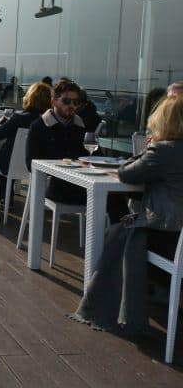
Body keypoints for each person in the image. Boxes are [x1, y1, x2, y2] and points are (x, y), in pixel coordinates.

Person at [72, 96, 183, 334]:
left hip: (168, 238)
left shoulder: (163, 151)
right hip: (178, 236)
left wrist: (148, 148)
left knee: (118, 231)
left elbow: (126, 174)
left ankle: (103, 307)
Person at [26, 80, 127, 223]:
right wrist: (66, 162)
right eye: (67, 101)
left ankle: (124, 240)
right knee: (109, 197)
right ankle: (115, 239)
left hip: (83, 184)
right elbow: (30, 163)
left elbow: (96, 156)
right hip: (58, 187)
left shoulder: (81, 125)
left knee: (115, 196)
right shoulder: (39, 126)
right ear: (54, 101)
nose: (72, 106)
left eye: (76, 102)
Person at [0, 82, 51, 175]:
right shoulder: (48, 122)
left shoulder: (20, 118)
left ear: (29, 98)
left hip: (7, 165)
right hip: (33, 169)